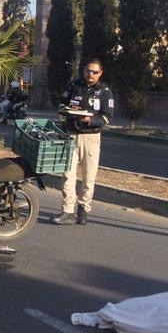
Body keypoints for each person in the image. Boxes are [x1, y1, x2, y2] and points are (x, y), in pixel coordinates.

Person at [51, 58, 115, 226]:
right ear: (83, 71)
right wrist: (66, 113)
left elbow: (107, 117)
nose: (90, 75)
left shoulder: (105, 92)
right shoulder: (74, 86)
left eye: (94, 72)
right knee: (67, 174)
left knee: (89, 176)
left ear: (100, 73)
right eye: (88, 71)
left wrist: (89, 119)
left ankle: (84, 209)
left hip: (90, 137)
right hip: (71, 134)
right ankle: (67, 211)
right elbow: (62, 106)